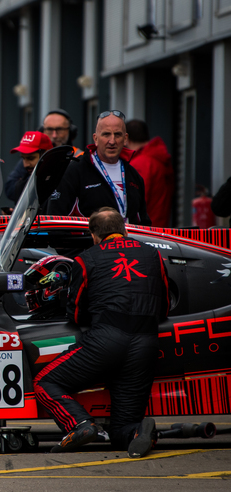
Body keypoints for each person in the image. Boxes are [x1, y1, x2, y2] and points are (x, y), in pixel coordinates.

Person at [33, 208, 168, 457]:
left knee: (45, 381)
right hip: (146, 343)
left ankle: (80, 425)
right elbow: (166, 302)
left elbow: (75, 314)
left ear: (93, 234)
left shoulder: (87, 259)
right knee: (121, 432)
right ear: (125, 229)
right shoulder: (152, 254)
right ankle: (138, 431)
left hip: (105, 341)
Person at [46, 110, 150, 224]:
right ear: (95, 139)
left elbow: (143, 222)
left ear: (125, 139)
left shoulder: (133, 175)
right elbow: (56, 221)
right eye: (106, 134)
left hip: (125, 241)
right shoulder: (74, 171)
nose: (112, 141)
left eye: (117, 134)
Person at [126, 119, 174, 227]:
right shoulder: (159, 159)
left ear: (127, 139)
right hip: (160, 225)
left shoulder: (140, 164)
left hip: (145, 229)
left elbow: (136, 201)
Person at [5, 131, 54, 201]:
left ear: (47, 154)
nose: (25, 164)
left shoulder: (63, 179)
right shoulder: (24, 180)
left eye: (31, 158)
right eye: (23, 158)